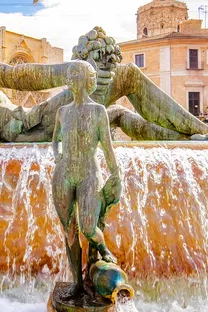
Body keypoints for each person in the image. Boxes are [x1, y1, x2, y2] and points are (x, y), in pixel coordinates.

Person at [0, 0, 208, 143]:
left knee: (117, 114)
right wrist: (70, 71)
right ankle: (203, 132)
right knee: (128, 74)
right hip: (30, 126)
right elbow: (14, 76)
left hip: (31, 123)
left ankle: (190, 137)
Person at [51, 60, 121, 297]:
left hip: (89, 172)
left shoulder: (98, 111)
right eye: (69, 73)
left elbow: (108, 147)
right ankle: (77, 283)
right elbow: (54, 140)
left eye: (74, 73)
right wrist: (57, 157)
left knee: (89, 226)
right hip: (64, 174)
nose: (69, 77)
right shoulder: (62, 112)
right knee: (69, 229)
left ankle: (101, 247)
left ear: (86, 79)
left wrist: (116, 174)